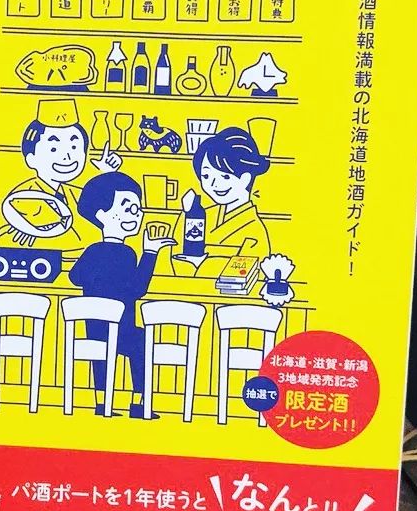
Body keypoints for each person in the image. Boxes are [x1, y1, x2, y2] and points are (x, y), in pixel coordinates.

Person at [69, 172, 174, 418]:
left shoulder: (92, 250)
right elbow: (137, 289)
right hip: (123, 331)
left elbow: (74, 277)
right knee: (142, 342)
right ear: (101, 215)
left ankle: (102, 403)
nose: (135, 215)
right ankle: (138, 403)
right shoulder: (127, 254)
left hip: (94, 330)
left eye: (138, 209)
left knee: (103, 357)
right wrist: (150, 253)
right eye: (127, 208)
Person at [0, 98, 120, 250]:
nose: (67, 157)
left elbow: (110, 214)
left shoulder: (77, 193)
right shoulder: (22, 198)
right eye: (54, 149)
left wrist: (109, 175)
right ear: (31, 159)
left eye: (74, 147)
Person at [177, 127, 272, 259]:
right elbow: (176, 252)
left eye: (225, 176)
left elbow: (245, 270)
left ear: (245, 178)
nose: (213, 184)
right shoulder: (204, 214)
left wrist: (202, 263)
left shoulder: (254, 232)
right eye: (206, 176)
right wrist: (188, 213)